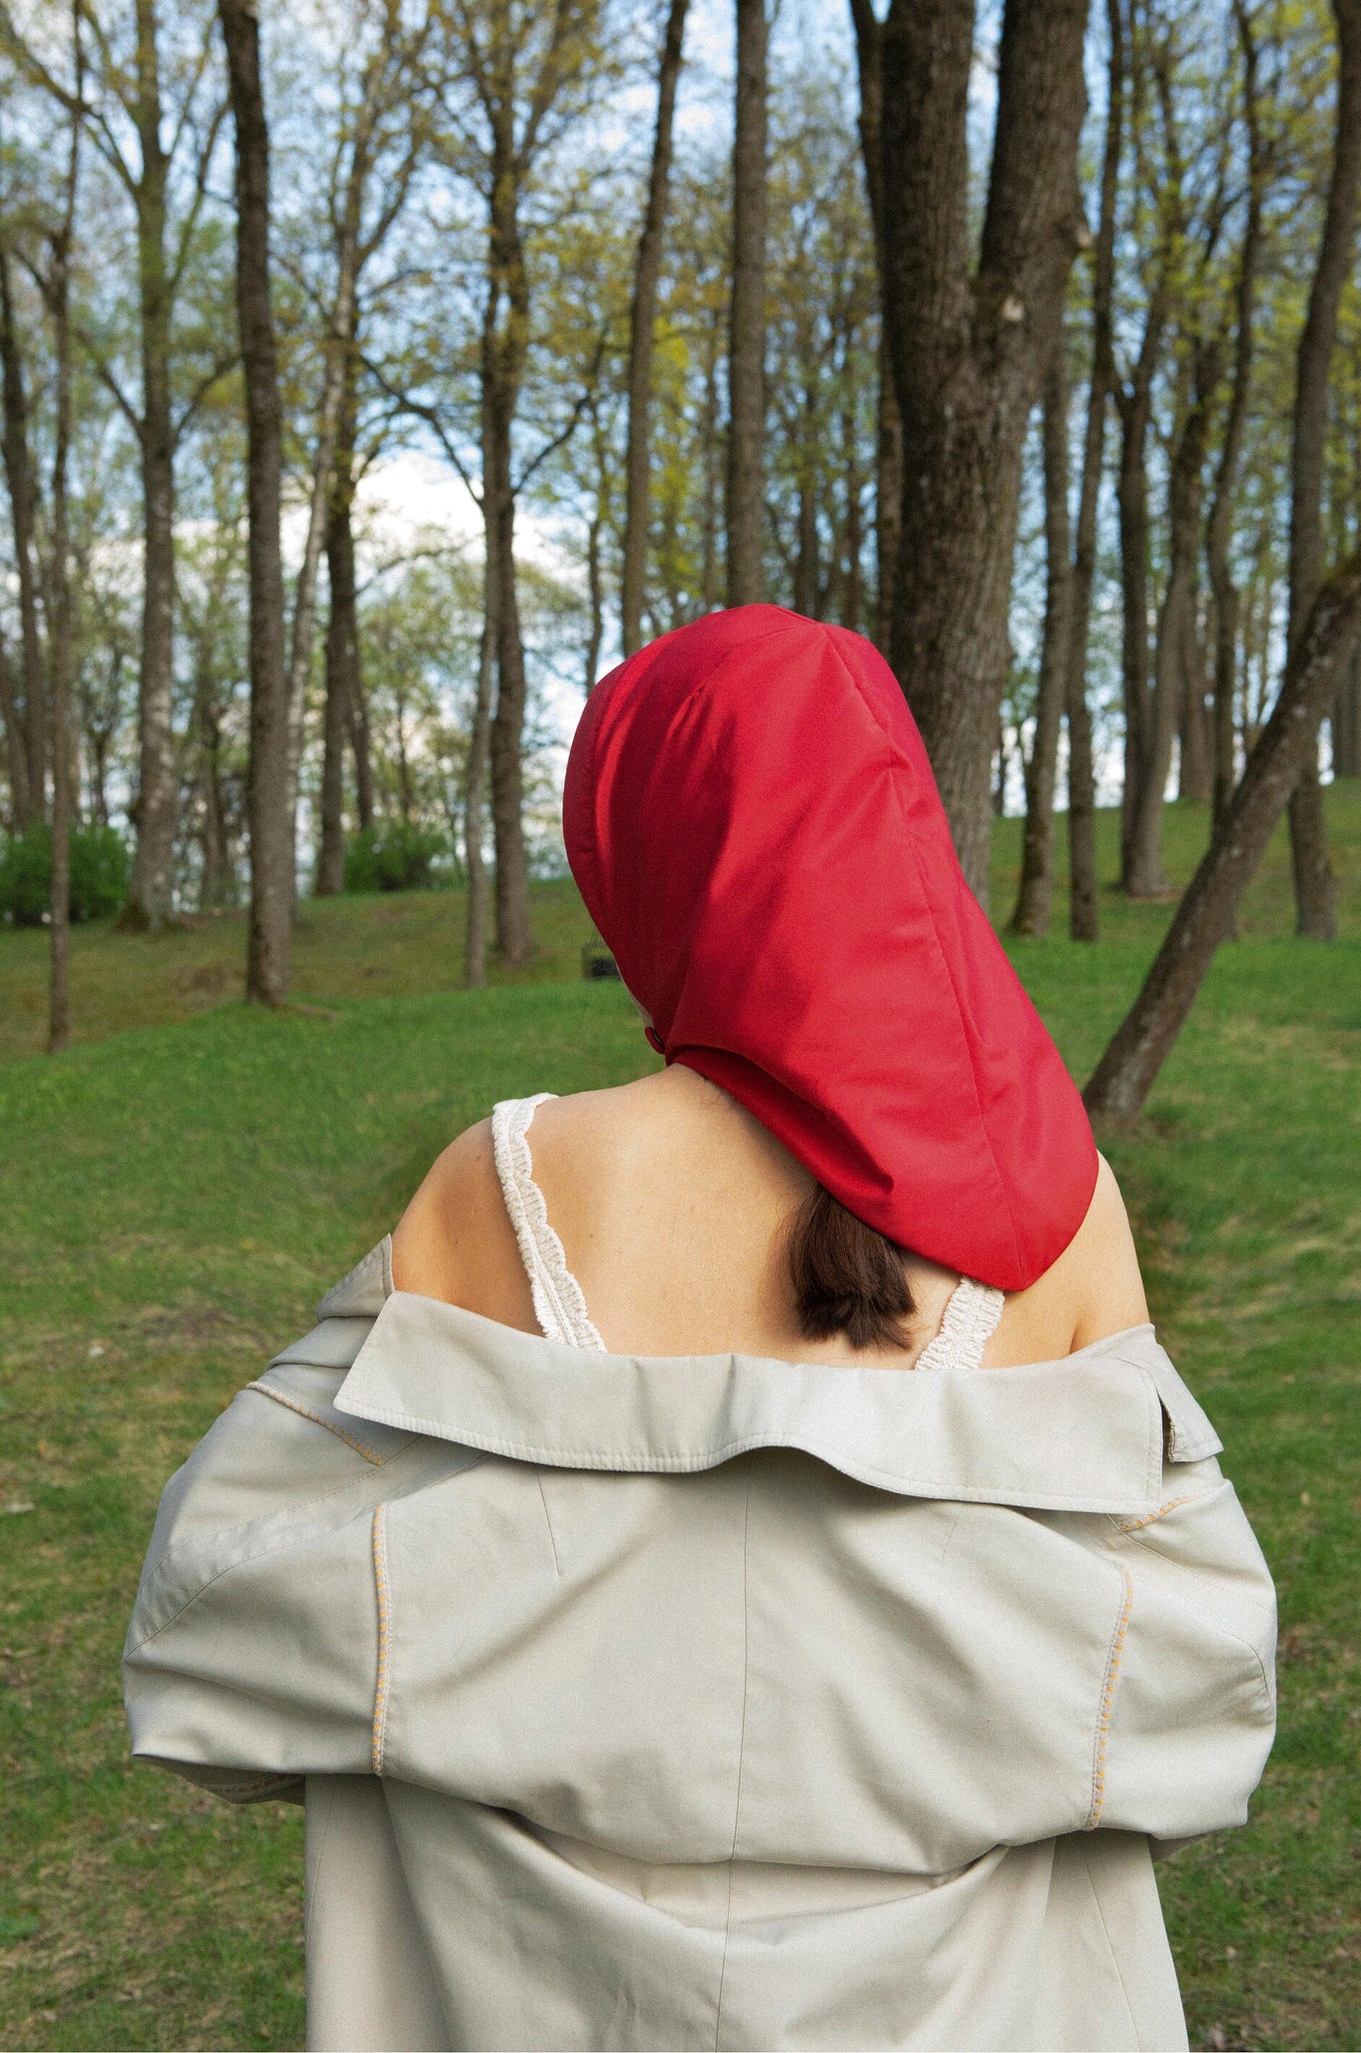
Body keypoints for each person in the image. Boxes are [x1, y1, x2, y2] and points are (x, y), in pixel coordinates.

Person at [125, 605, 1276, 2053]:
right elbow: (1187, 1676)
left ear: (652, 852)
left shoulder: (517, 1176)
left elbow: (231, 1593)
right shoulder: (1062, 1209)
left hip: (535, 2001)